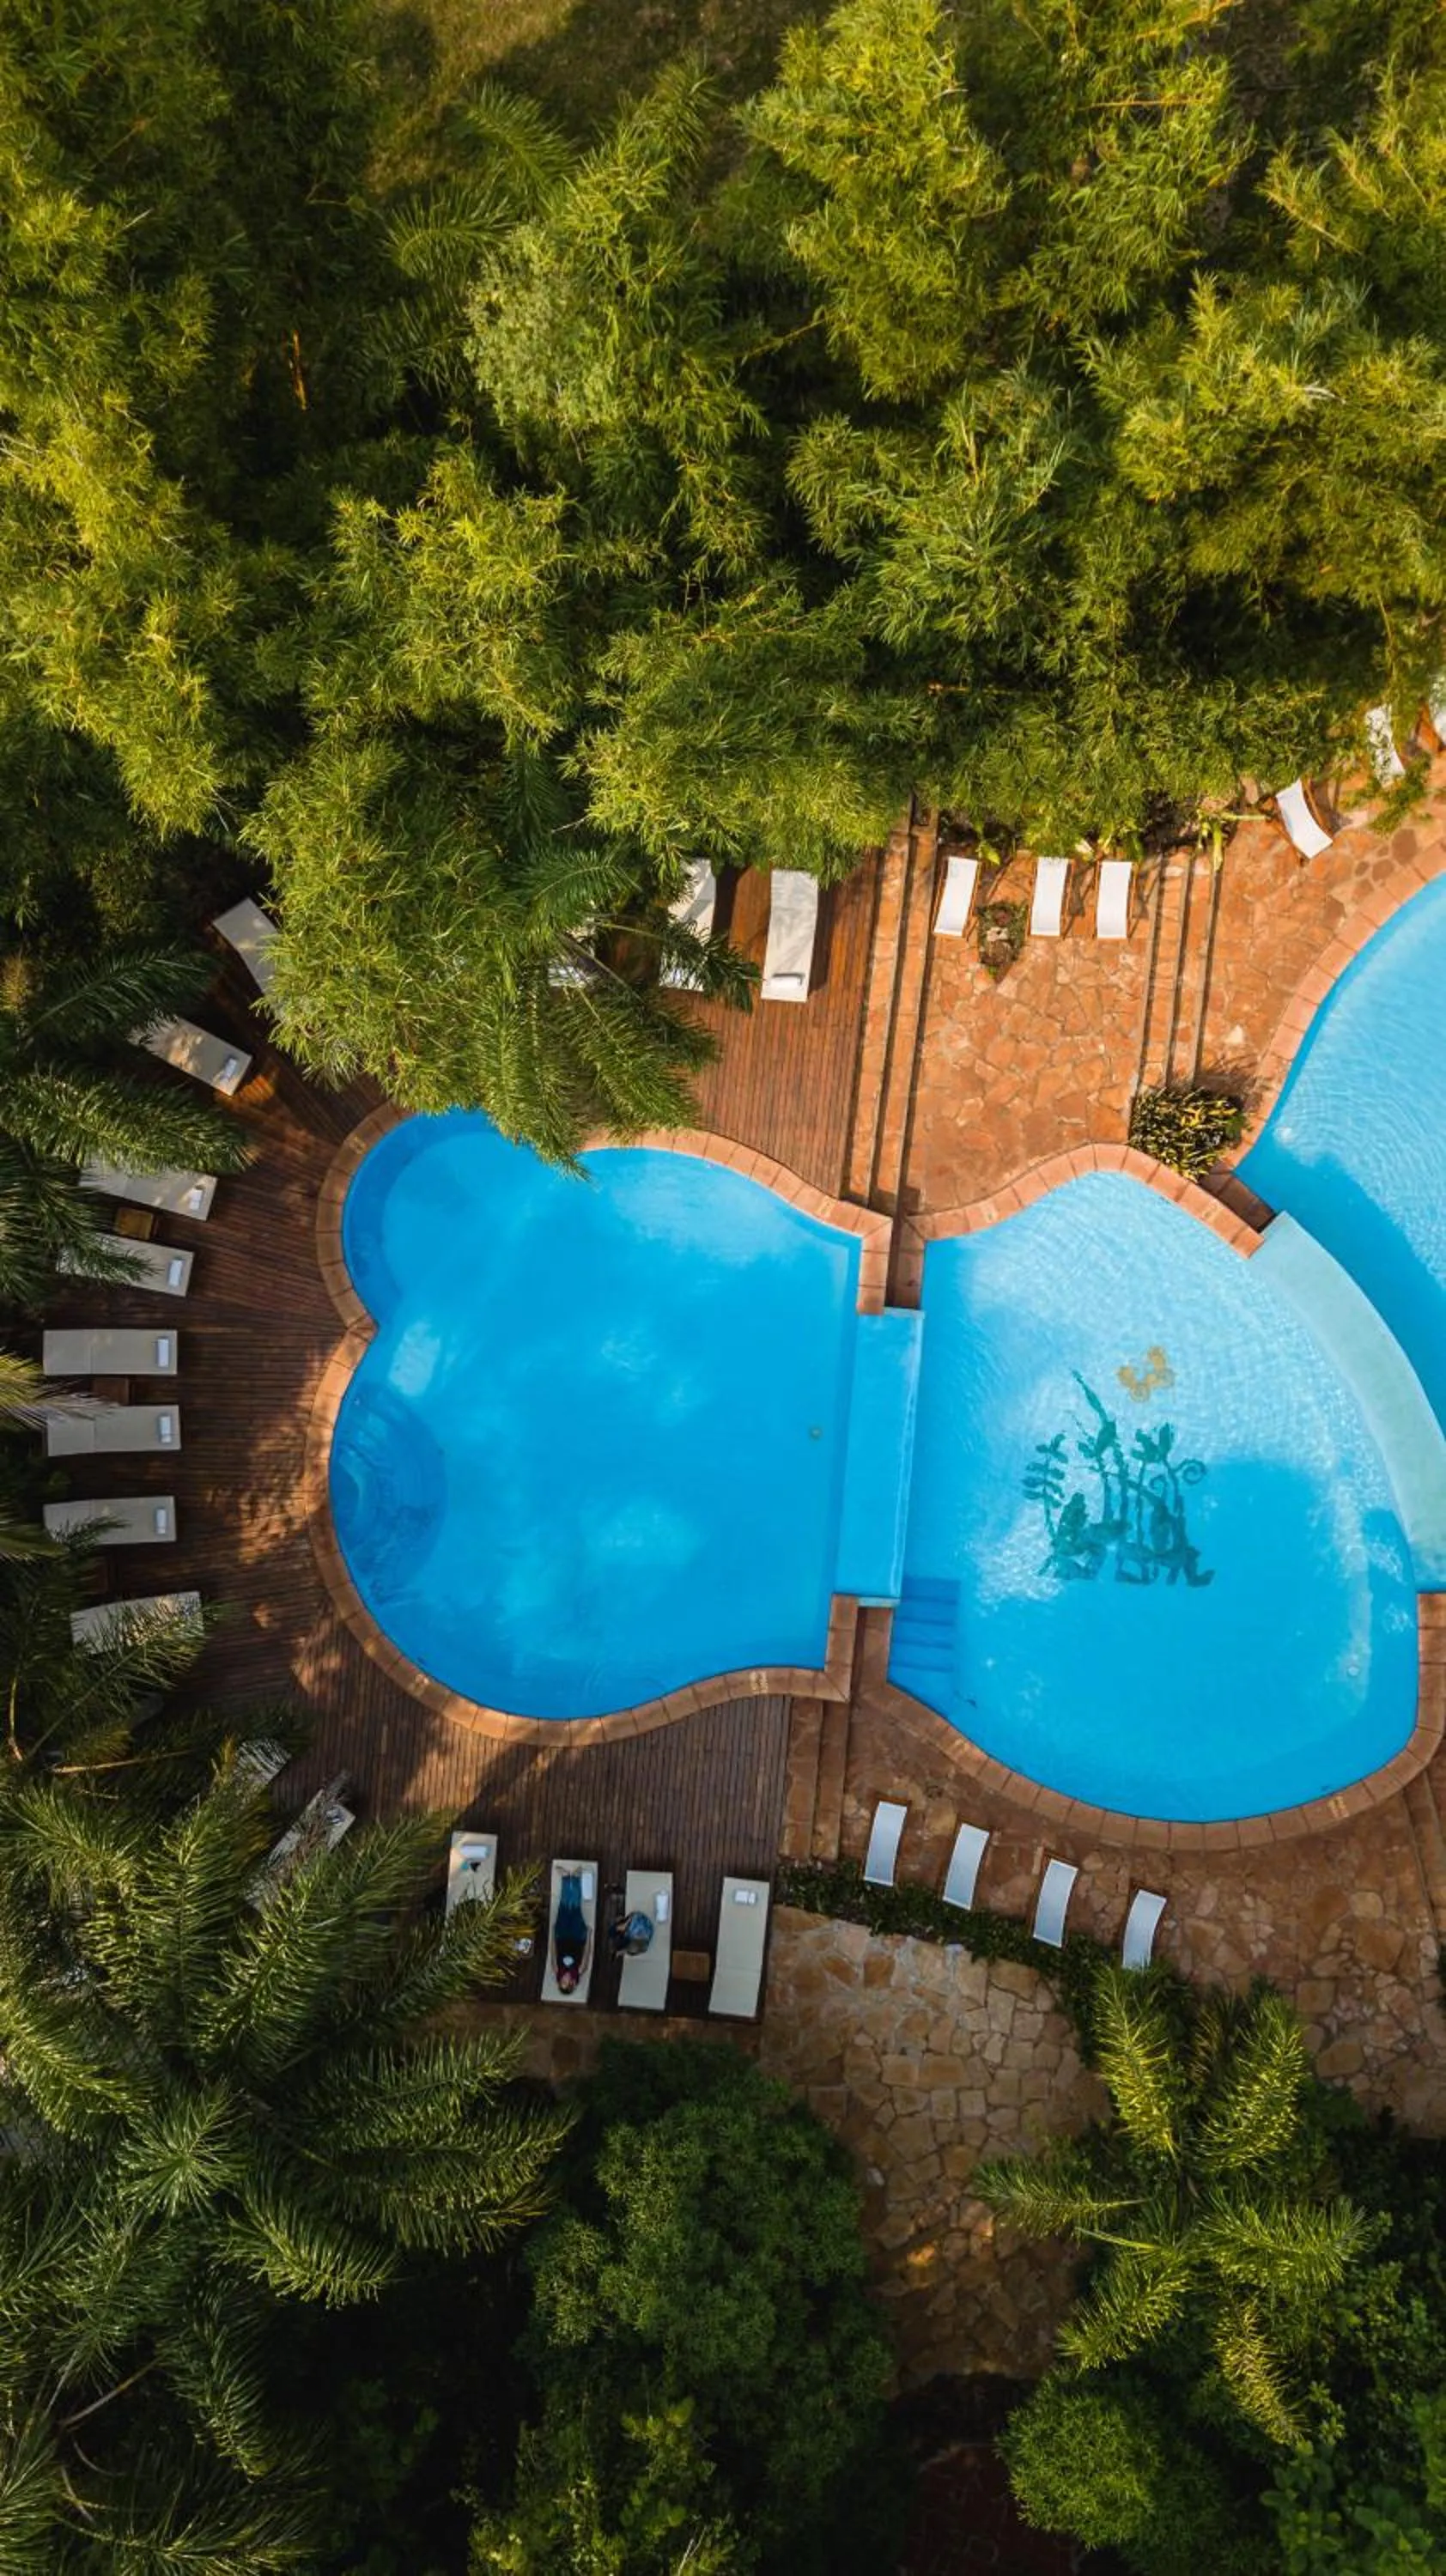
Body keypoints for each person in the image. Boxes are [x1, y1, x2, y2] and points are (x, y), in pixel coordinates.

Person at [553, 1872, 589, 1995]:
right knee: (574, 1908)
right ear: (572, 1983)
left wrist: (552, 1934)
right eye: (565, 1982)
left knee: (563, 1907)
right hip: (577, 1936)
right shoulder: (579, 1970)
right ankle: (576, 1879)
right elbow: (587, 1952)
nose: (564, 1979)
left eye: (561, 1981)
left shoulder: (557, 1969)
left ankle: (565, 1879)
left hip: (561, 1936)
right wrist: (589, 1934)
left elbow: (553, 1951)